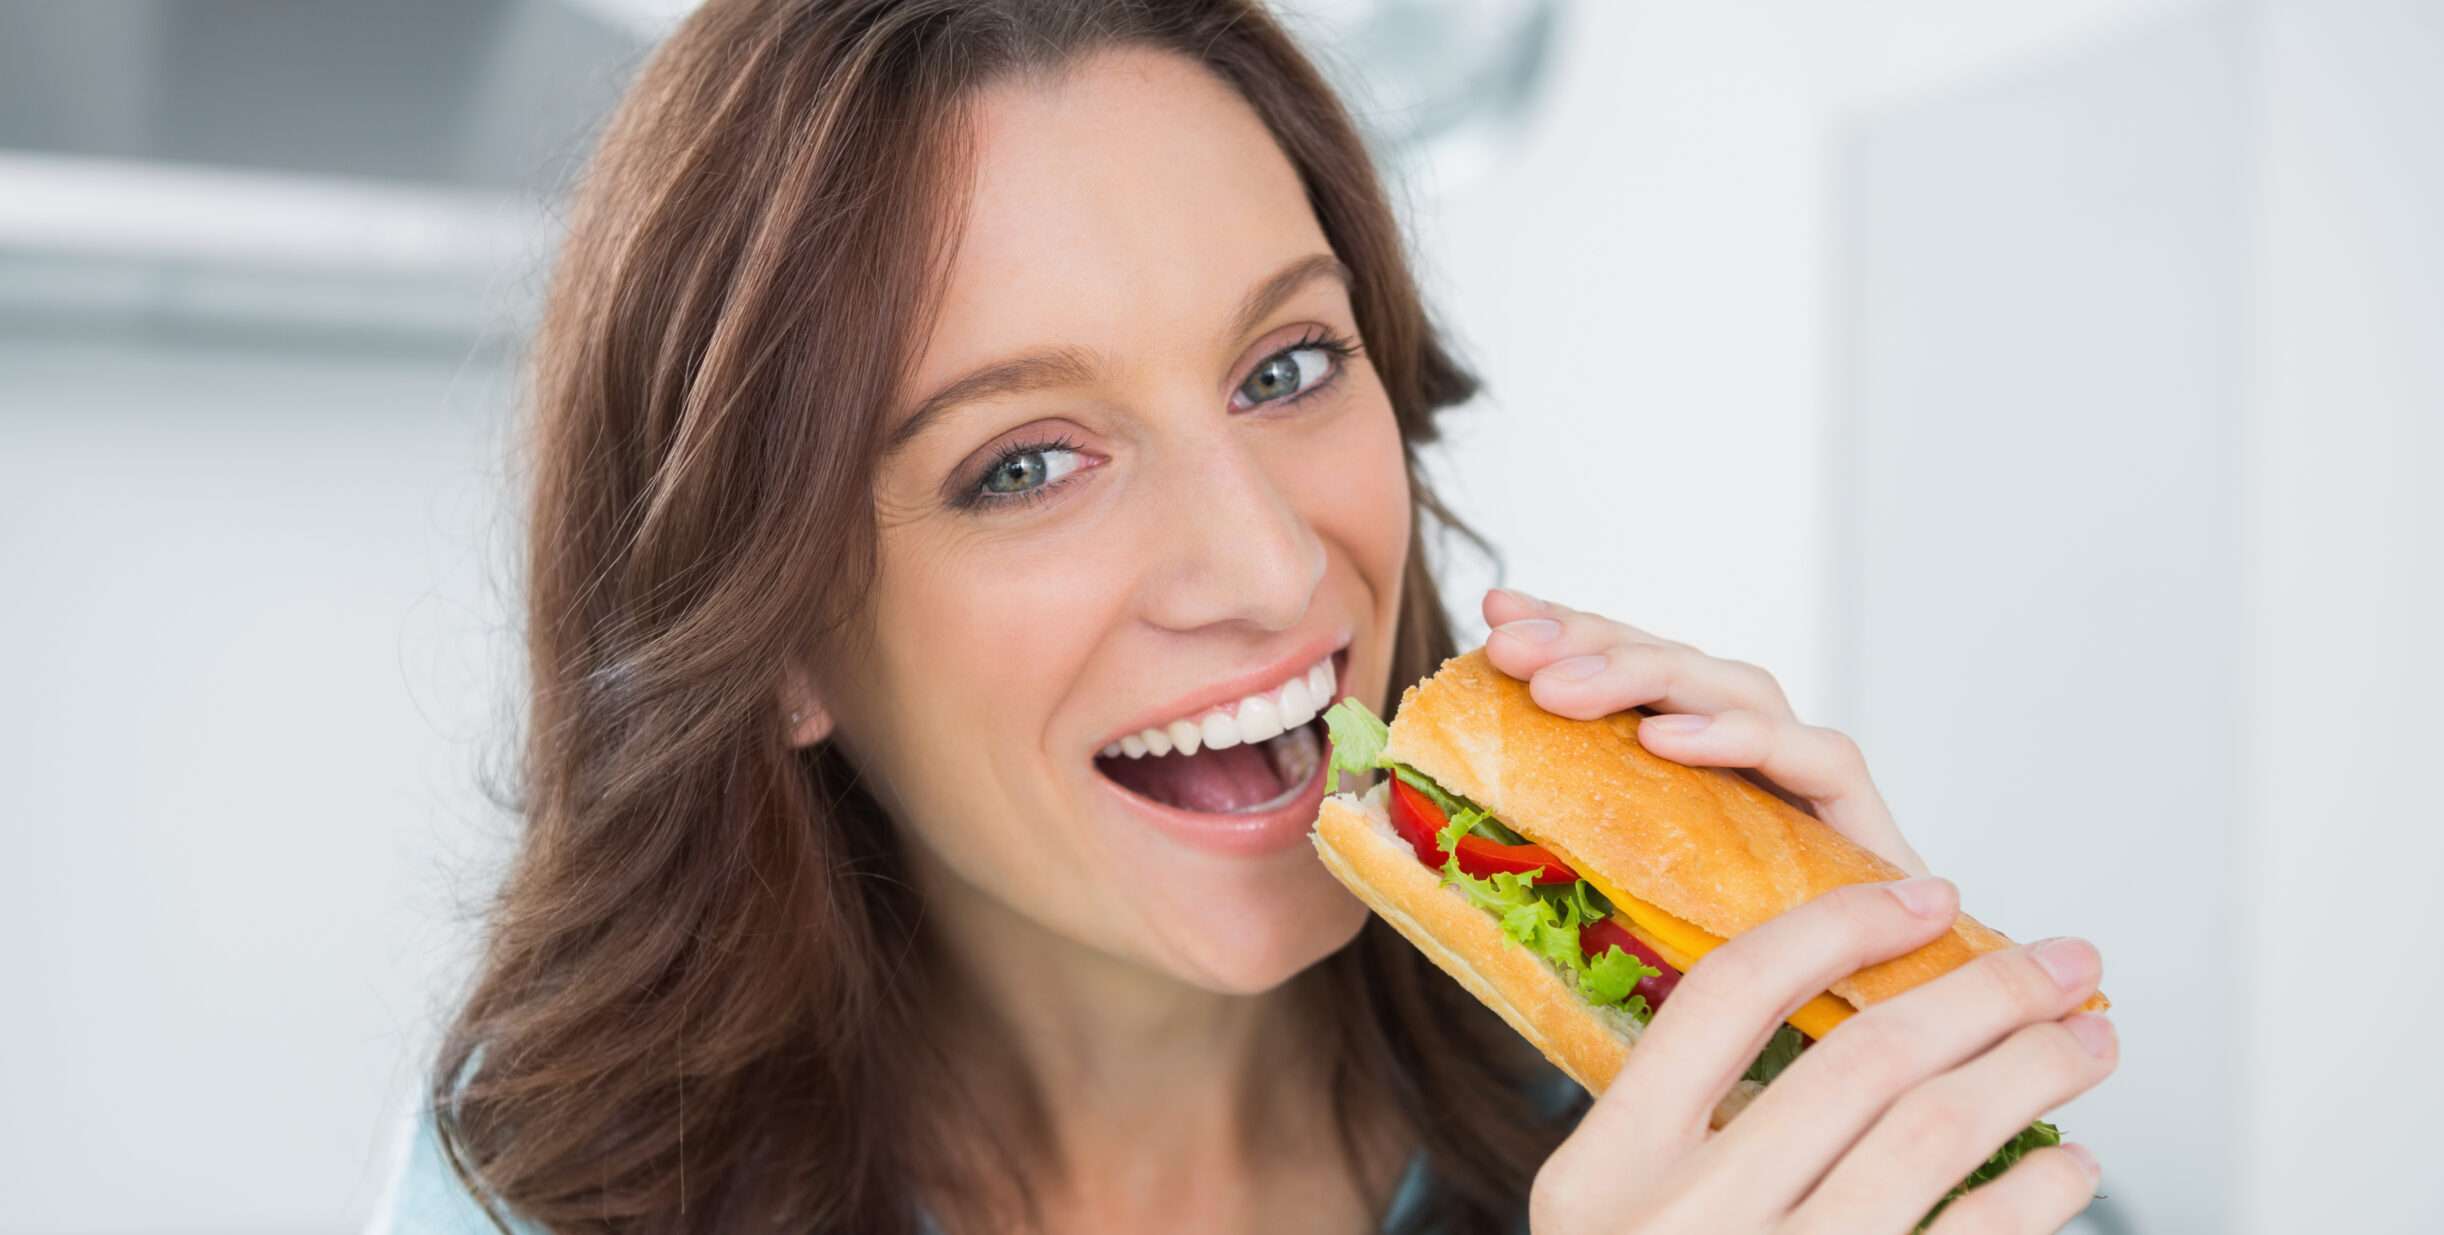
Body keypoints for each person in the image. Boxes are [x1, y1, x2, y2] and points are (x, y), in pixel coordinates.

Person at [379, 1, 2115, 1231]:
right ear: (775, 642)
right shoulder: (543, 1194)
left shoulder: (1673, 1117)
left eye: (1288, 366)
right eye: (1025, 465)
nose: (1275, 571)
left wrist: (1878, 1085)